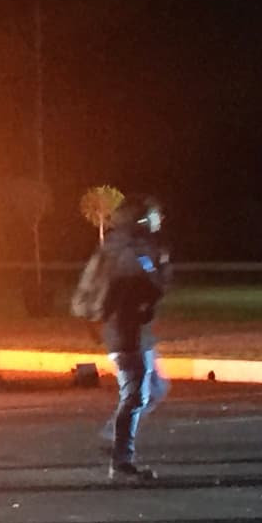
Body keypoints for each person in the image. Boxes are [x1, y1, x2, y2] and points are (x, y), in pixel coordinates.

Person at [99, 195, 172, 482]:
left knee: (150, 388)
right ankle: (121, 461)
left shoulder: (132, 249)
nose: (159, 221)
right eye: (154, 216)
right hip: (127, 333)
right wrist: (161, 270)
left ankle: (116, 445)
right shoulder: (133, 252)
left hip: (131, 332)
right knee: (135, 396)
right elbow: (143, 289)